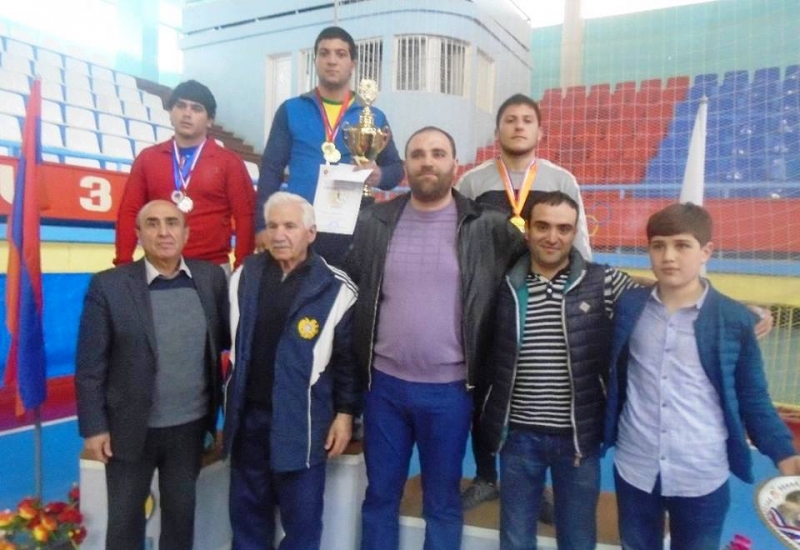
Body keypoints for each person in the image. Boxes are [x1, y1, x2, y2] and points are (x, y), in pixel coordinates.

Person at [345, 126, 525, 550]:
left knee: (442, 502)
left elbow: (536, 268)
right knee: (380, 496)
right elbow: (351, 293)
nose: (428, 161)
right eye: (419, 154)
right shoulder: (374, 222)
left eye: (438, 153)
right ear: (405, 166)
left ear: (454, 165)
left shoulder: (488, 226)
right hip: (383, 388)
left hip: (450, 392)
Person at [603, 202, 800, 550]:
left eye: (682, 245)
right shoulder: (629, 306)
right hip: (636, 467)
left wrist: (785, 453)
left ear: (706, 251)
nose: (669, 256)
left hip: (701, 473)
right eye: (658, 246)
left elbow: (753, 397)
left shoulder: (733, 320)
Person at [457, 93, 591, 510]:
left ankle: (539, 486)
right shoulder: (473, 182)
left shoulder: (561, 180)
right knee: (482, 389)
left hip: (541, 304)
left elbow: (580, 246)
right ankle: (485, 476)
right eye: (510, 119)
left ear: (539, 131)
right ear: (498, 130)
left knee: (539, 392)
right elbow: (456, 241)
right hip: (484, 303)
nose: (518, 126)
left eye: (527, 120)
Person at [480, 191, 636, 550]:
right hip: (517, 438)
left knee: (578, 540)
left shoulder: (603, 282)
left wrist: (732, 308)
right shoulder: (505, 285)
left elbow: (658, 297)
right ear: (527, 229)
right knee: (515, 539)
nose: (553, 237)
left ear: (575, 232)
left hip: (578, 440)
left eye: (563, 228)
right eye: (543, 227)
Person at [76, 200, 229, 550]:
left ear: (186, 233)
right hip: (129, 431)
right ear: (138, 234)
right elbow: (90, 365)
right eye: (153, 224)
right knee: (124, 525)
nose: (163, 232)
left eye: (172, 223)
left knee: (180, 524)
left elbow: (225, 339)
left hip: (189, 430)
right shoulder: (108, 286)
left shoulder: (210, 279)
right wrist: (95, 427)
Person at [223, 191, 361, 550]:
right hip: (248, 420)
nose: (279, 235)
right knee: (247, 521)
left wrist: (345, 413)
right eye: (272, 226)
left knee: (302, 527)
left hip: (302, 422)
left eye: (289, 226)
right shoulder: (244, 276)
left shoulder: (337, 288)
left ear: (311, 233)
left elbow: (348, 363)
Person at [255, 26, 404, 266]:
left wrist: (380, 175)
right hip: (299, 228)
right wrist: (262, 226)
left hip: (353, 228)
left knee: (348, 288)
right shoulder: (291, 110)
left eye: (340, 54)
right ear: (315, 61)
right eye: (324, 53)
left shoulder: (373, 116)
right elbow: (271, 171)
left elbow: (396, 169)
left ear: (353, 64)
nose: (332, 60)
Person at [115, 79, 256, 273]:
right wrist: (123, 263)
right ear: (170, 112)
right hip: (157, 265)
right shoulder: (148, 158)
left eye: (196, 109)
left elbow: (246, 217)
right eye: (181, 106)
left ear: (209, 120)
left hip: (211, 268)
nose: (187, 114)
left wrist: (241, 269)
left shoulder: (229, 162)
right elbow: (130, 211)